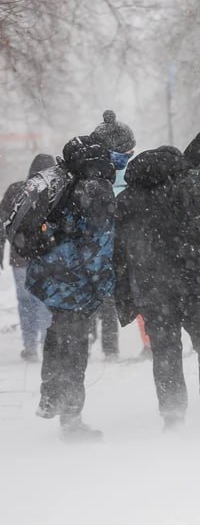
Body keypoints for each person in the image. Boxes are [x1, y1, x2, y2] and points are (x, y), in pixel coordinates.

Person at [113, 147, 200, 430]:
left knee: (165, 349)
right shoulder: (192, 184)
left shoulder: (127, 199)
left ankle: (172, 413)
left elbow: (117, 252)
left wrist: (124, 292)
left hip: (152, 288)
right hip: (197, 281)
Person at [28, 136, 116, 441]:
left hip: (53, 275)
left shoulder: (65, 183)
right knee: (75, 352)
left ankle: (50, 395)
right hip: (76, 282)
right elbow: (98, 248)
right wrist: (106, 286)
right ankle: (71, 419)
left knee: (58, 339)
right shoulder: (96, 190)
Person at [88, 109, 143, 360]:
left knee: (98, 295)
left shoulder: (88, 176)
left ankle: (92, 341)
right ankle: (147, 340)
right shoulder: (133, 175)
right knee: (141, 289)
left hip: (97, 247)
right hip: (128, 243)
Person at [0, 153, 56, 361]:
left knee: (25, 302)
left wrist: (8, 243)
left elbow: (3, 221)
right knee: (46, 300)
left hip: (20, 257)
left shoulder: (16, 190)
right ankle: (47, 341)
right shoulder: (56, 191)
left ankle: (30, 345)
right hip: (49, 256)